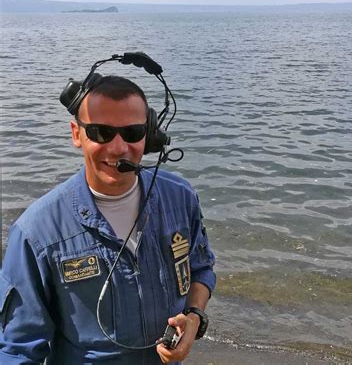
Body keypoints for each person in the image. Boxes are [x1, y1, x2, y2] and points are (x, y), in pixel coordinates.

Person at [0, 72, 216, 364]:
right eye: (100, 132)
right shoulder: (36, 232)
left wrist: (194, 316)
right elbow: (19, 349)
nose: (118, 148)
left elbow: (201, 268)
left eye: (132, 133)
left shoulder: (180, 197)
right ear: (77, 134)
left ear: (150, 135)